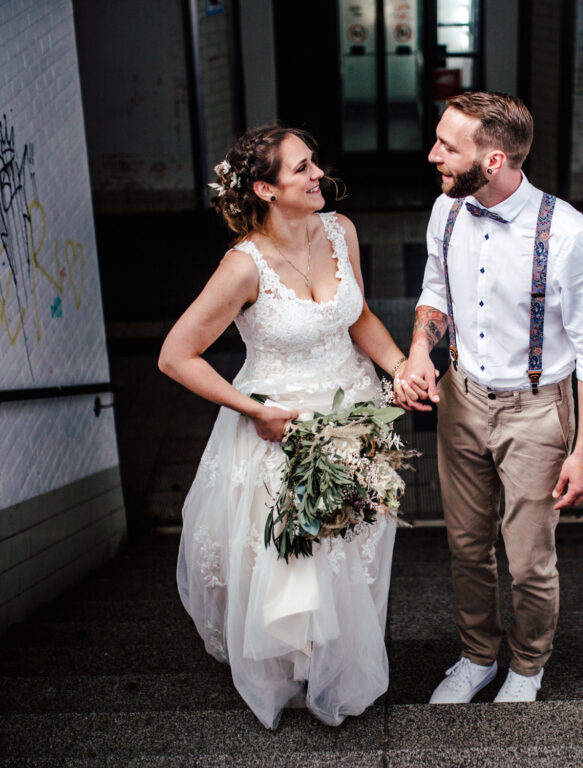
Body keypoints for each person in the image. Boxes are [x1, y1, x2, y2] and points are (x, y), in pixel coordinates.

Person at [158, 125, 414, 729]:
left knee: (348, 555)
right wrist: (253, 410)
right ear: (266, 189)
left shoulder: (341, 230)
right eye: (301, 168)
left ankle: (333, 670)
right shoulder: (243, 267)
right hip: (281, 431)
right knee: (295, 565)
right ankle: (293, 675)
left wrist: (400, 366)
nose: (316, 173)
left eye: (313, 162)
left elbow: (359, 317)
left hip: (353, 422)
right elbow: (175, 355)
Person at [400, 92, 583, 704]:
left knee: (529, 560)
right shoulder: (446, 210)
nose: (433, 154)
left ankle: (527, 665)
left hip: (537, 410)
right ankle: (477, 656)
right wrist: (419, 351)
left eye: (447, 146)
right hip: (461, 400)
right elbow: (435, 289)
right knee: (466, 547)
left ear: (492, 160)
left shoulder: (571, 237)